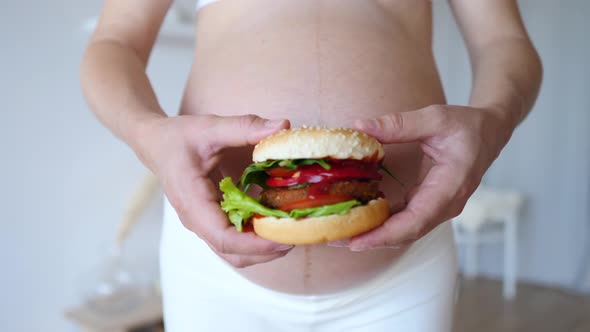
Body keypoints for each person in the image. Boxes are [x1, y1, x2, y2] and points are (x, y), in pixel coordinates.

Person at [80, 0, 542, 331]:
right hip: (210, 273)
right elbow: (113, 42)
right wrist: (146, 133)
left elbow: (504, 40)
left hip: (405, 276)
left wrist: (494, 121)